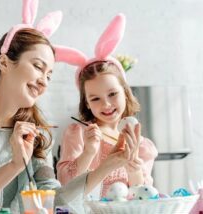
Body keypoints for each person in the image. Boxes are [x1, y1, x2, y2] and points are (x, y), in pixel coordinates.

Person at [55, 14, 158, 199]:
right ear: (86, 102)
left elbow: (145, 197)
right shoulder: (78, 133)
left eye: (112, 94)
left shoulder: (141, 145)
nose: (107, 104)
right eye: (95, 99)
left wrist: (133, 168)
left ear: (125, 92)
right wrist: (88, 152)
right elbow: (65, 187)